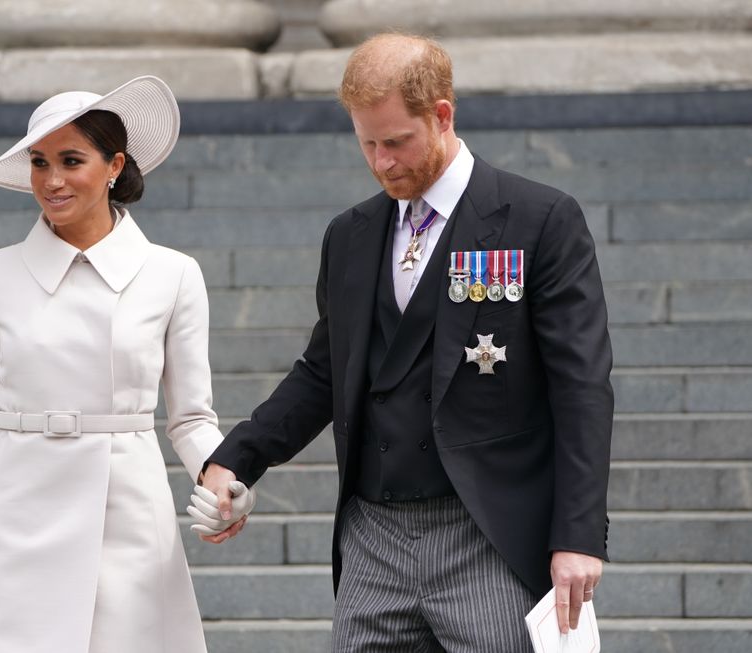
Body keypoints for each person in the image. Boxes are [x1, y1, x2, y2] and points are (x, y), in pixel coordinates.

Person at [197, 33, 614, 652]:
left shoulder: (539, 220)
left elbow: (581, 387)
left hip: (487, 532)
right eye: (366, 143)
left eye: (396, 142)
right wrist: (236, 457)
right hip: (372, 537)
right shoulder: (350, 234)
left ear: (442, 115)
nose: (381, 162)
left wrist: (578, 534)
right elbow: (323, 371)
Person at [0, 76, 250, 653]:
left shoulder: (173, 274)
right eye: (39, 163)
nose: (52, 180)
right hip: (16, 516)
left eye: (70, 160)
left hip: (130, 517)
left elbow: (190, 419)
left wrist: (225, 482)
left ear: (114, 165)